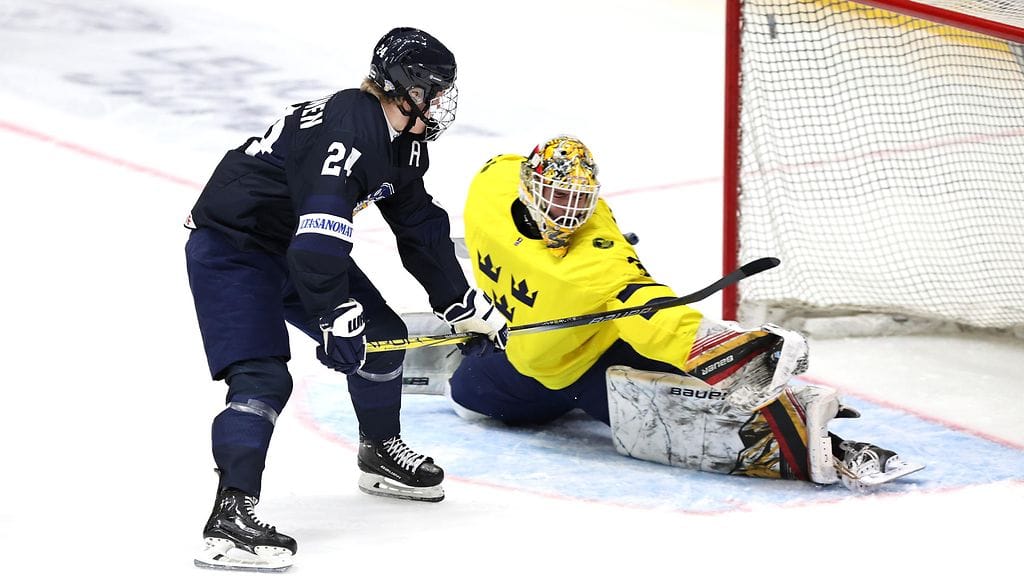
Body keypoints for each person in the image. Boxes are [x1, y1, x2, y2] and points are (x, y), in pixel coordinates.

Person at [184, 27, 508, 571]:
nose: (442, 101)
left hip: (293, 247)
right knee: (263, 379)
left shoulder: (402, 141)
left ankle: (379, 452)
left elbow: (418, 225)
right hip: (234, 247)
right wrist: (335, 312)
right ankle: (229, 520)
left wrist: (459, 303)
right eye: (435, 89)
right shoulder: (352, 122)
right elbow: (318, 238)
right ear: (404, 87)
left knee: (382, 340)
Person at [439, 135, 921, 492]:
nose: (568, 213)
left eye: (581, 201)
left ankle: (833, 445)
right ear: (527, 185)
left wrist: (731, 352)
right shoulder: (491, 183)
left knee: (689, 412)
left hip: (591, 363)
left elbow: (656, 313)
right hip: (527, 363)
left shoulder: (598, 260)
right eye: (558, 196)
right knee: (464, 395)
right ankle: (483, 341)